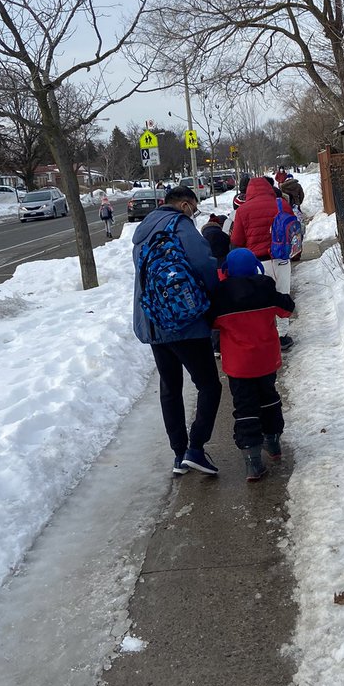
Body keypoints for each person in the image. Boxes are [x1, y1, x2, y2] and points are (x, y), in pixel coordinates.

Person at [132, 185, 223, 476]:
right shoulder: (180, 225)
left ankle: (178, 453)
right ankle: (195, 447)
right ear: (184, 205)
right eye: (194, 208)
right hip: (185, 322)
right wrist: (213, 299)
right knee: (209, 384)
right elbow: (204, 264)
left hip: (153, 322)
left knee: (170, 388)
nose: (194, 214)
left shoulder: (143, 232)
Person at [211, 247, 294, 481]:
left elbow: (213, 323)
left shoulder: (221, 296)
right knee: (269, 398)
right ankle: (273, 442)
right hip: (266, 360)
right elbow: (287, 309)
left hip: (238, 365)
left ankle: (253, 462)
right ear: (255, 267)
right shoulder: (266, 288)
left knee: (245, 406)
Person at [230, 177, 296, 350]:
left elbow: (237, 240)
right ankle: (282, 336)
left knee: (261, 298)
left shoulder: (243, 211)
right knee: (282, 294)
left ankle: (265, 334)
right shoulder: (282, 203)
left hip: (258, 263)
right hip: (281, 258)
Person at [201, 213, 231, 357]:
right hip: (224, 272)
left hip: (210, 275)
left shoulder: (201, 239)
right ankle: (224, 343)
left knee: (213, 311)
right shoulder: (224, 236)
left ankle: (215, 346)